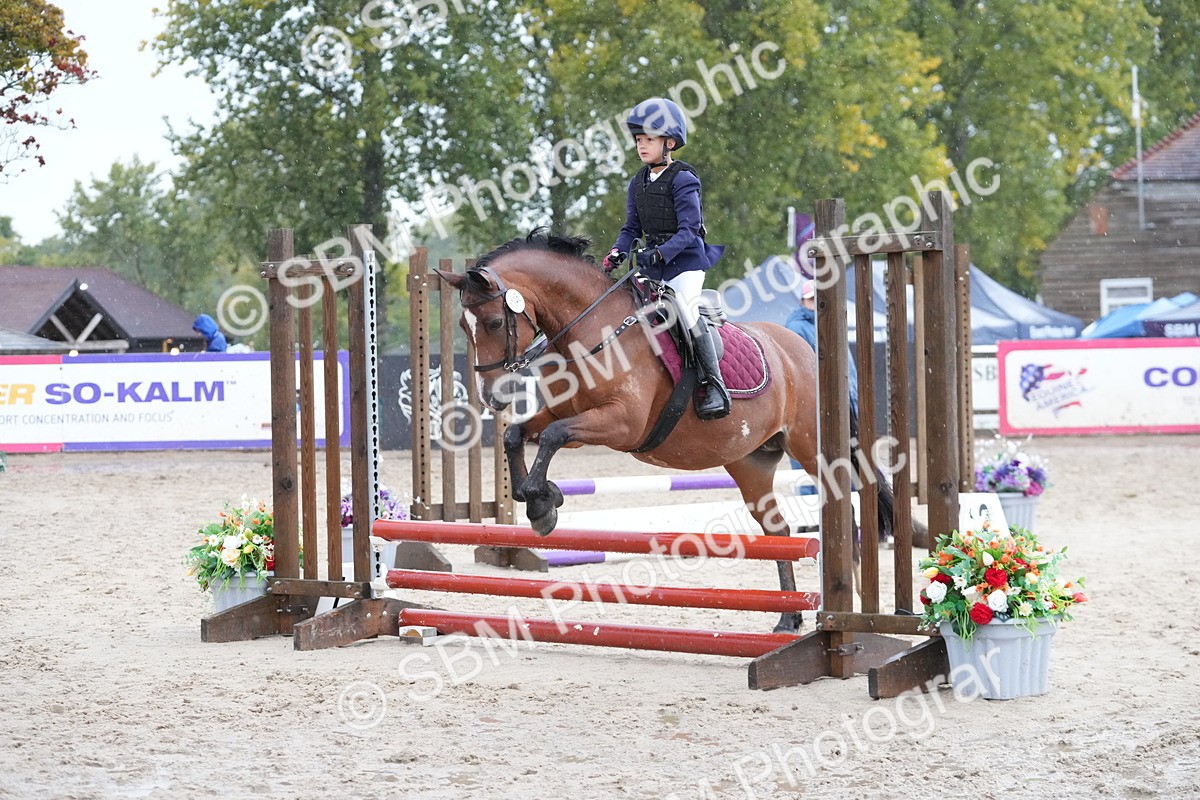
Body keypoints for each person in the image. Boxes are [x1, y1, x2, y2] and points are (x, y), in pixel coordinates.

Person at [602, 97, 729, 420]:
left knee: (685, 311)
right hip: (653, 265)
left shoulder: (684, 179)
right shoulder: (637, 183)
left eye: (649, 139)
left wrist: (659, 252)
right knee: (626, 311)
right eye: (638, 140)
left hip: (685, 264)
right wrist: (617, 251)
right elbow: (631, 228)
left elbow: (689, 230)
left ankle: (715, 384)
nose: (642, 146)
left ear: (669, 143)